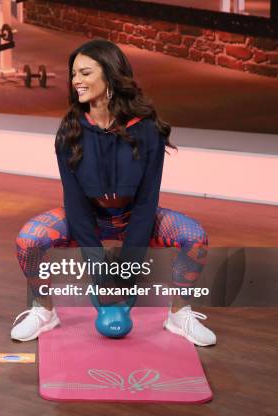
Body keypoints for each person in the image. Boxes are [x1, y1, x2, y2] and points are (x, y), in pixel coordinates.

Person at [11, 40, 216, 347]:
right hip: (90, 218)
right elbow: (75, 203)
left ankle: (179, 314)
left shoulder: (146, 130)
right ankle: (44, 311)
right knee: (28, 240)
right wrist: (96, 266)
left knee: (195, 237)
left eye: (85, 72)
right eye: (73, 74)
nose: (76, 80)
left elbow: (148, 201)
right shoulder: (70, 130)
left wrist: (129, 268)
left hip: (134, 215)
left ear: (110, 74)